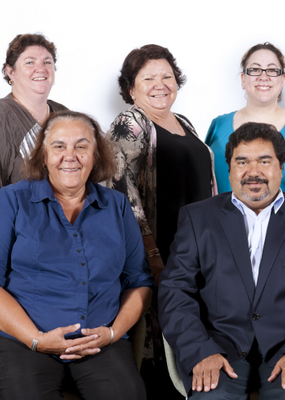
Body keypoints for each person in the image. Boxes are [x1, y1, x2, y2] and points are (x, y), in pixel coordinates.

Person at [0, 111, 154, 400]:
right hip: (17, 340)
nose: (70, 155)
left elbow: (139, 281)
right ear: (43, 155)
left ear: (96, 156)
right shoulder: (11, 200)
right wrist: (36, 339)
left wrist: (113, 334)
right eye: (59, 146)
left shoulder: (116, 205)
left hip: (97, 341)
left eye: (81, 146)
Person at [158, 122, 285, 399]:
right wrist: (201, 351)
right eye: (242, 162)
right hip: (218, 348)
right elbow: (175, 292)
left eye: (264, 161)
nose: (254, 172)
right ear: (229, 169)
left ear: (280, 167)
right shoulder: (197, 217)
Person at [106, 44, 216, 399]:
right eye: (148, 77)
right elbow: (121, 191)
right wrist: (151, 252)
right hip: (160, 251)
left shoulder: (184, 123)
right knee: (161, 345)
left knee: (197, 338)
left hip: (198, 253)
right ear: (131, 88)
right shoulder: (131, 122)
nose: (160, 84)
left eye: (167, 76)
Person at [205, 42, 285, 205]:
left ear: (282, 79)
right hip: (221, 228)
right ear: (243, 79)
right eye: (255, 69)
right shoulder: (218, 126)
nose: (263, 76)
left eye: (272, 70)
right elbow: (206, 184)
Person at [0, 33, 68, 225]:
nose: (41, 69)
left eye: (47, 62)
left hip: (64, 236)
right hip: (19, 240)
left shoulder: (63, 114)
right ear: (11, 72)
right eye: (30, 62)